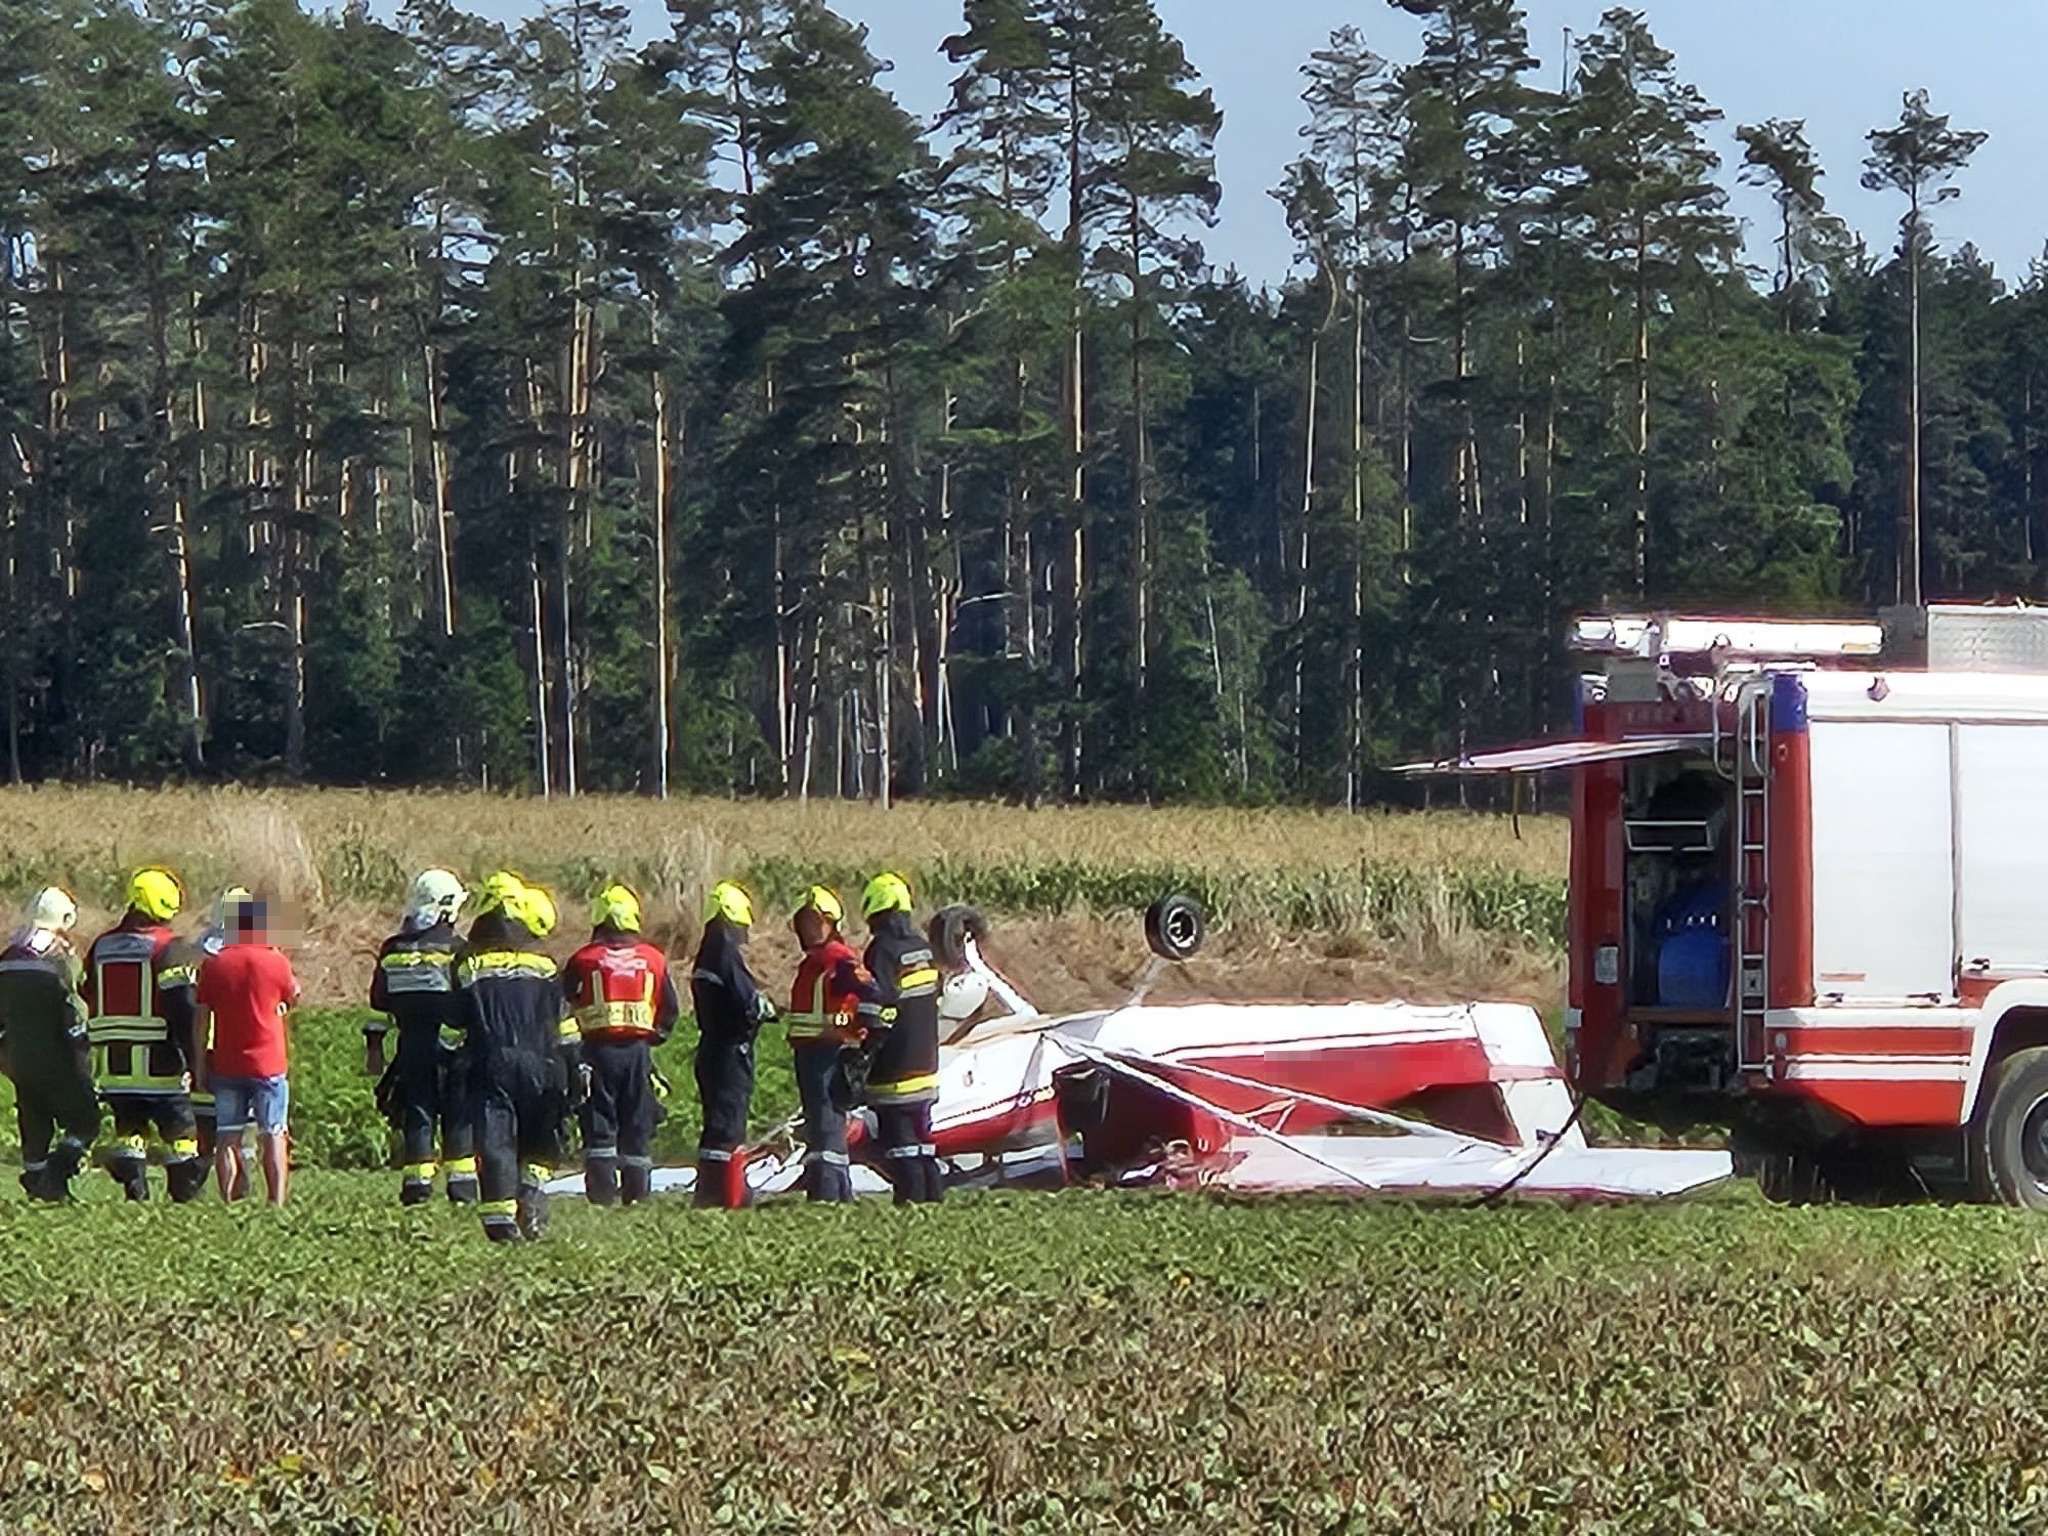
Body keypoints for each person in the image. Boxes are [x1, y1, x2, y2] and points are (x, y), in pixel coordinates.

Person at [458, 873, 579, 1243]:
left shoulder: (470, 965)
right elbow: (565, 1024)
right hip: (543, 1062)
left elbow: (455, 1022)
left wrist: (451, 1064)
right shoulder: (544, 964)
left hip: (491, 1062)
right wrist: (575, 1068)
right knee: (542, 1134)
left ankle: (500, 1222)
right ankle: (532, 1193)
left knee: (496, 1140)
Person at [84, 868, 207, 1202]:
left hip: (115, 1065)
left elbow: (88, 992)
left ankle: (135, 1188)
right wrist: (195, 1060)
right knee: (180, 1131)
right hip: (161, 1063)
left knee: (129, 1127)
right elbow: (183, 1008)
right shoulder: (171, 948)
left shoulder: (102, 946)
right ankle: (183, 1191)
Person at [562, 883, 680, 1207]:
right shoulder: (654, 959)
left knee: (599, 1122)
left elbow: (562, 1003)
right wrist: (656, 1036)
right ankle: (636, 1194)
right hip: (638, 1053)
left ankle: (601, 1195)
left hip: (595, 1051)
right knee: (637, 1122)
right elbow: (670, 1009)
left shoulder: (583, 960)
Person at [366, 869, 476, 1206]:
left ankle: (417, 1189)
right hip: (453, 1049)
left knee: (418, 1114)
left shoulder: (392, 950)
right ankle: (462, 1190)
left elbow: (379, 1005)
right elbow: (472, 1001)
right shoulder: (458, 950)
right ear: (447, 908)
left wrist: (374, 1050)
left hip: (411, 1048)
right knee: (458, 1117)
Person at [195, 894, 301, 1205]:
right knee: (273, 1132)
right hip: (269, 1062)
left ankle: (227, 1198)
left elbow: (202, 1018)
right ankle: (276, 1200)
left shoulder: (215, 964)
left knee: (227, 1135)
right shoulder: (275, 960)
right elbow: (293, 995)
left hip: (227, 1062)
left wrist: (199, 1063)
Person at [0, 888, 96, 1201]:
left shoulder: (8, 957)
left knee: (34, 1122)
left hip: (18, 1058)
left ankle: (36, 1179)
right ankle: (54, 1174)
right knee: (85, 1121)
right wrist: (82, 1053)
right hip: (58, 1056)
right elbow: (73, 1008)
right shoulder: (59, 957)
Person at [785, 885, 878, 1203]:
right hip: (810, 1052)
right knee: (819, 1124)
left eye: (815, 921)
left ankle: (829, 1194)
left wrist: (861, 1035)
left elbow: (872, 994)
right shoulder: (815, 961)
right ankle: (830, 1190)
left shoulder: (838, 959)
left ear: (830, 923)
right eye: (804, 922)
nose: (808, 928)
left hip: (829, 1053)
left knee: (827, 1125)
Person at [688, 881, 776, 1209]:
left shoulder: (706, 954)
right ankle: (729, 1194)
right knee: (729, 1124)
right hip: (730, 1050)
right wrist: (768, 1009)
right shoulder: (725, 953)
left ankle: (709, 1191)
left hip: (711, 1047)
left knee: (715, 1123)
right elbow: (746, 1001)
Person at [858, 872, 944, 1206]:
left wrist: (862, 1045)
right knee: (923, 1145)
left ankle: (910, 1205)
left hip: (894, 1068)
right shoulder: (923, 949)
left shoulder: (882, 951)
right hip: (927, 1066)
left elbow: (878, 1007)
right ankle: (933, 1204)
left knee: (900, 1147)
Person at [189, 884, 253, 1180]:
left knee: (213, 1124)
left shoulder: (201, 953)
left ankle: (212, 1179)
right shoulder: (262, 955)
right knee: (240, 1125)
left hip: (214, 1048)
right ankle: (240, 1180)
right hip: (245, 1051)